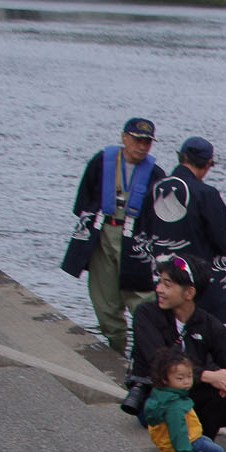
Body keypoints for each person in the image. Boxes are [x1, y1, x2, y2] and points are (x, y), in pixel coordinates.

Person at [129, 253, 226, 436]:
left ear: (189, 293)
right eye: (160, 282)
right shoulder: (146, 314)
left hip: (197, 397)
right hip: (157, 399)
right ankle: (203, 446)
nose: (159, 289)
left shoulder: (209, 324)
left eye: (167, 284)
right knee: (214, 387)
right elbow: (160, 362)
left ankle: (206, 445)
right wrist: (207, 376)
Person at [61, 118, 159, 358]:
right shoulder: (101, 162)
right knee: (105, 300)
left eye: (147, 142)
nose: (142, 146)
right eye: (137, 140)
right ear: (124, 137)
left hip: (135, 240)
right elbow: (83, 199)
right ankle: (117, 351)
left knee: (143, 300)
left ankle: (149, 356)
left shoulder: (156, 174)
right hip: (104, 232)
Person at [136, 136, 226, 328]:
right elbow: (222, 241)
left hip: (163, 278)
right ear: (207, 164)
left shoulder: (155, 188)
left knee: (165, 331)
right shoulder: (207, 193)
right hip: (198, 282)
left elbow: (142, 232)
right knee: (202, 332)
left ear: (181, 158)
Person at [142, 349, 226, 452]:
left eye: (189, 376)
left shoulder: (161, 395)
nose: (186, 381)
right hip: (183, 443)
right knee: (218, 450)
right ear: (165, 380)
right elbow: (177, 429)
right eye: (180, 378)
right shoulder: (175, 404)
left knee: (207, 441)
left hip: (166, 442)